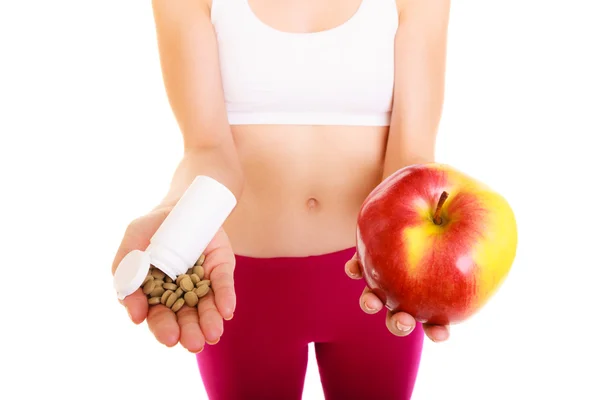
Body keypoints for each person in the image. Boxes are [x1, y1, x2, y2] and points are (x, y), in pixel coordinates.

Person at [112, 0, 452, 398]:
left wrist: (437, 266)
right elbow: (207, 150)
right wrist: (177, 218)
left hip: (376, 286)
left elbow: (410, 162)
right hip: (236, 285)